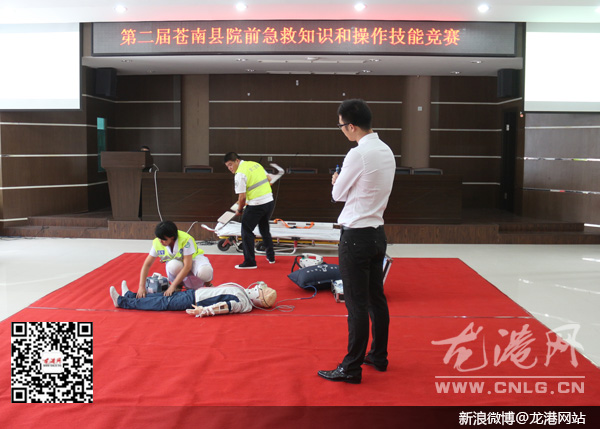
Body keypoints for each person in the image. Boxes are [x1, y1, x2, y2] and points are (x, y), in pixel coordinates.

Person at [317, 99, 396, 384]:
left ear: (351, 126)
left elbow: (337, 194)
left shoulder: (357, 153)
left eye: (340, 126)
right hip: (377, 234)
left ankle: (351, 368)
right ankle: (378, 356)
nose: (341, 130)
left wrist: (336, 179)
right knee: (377, 300)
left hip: (355, 238)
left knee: (356, 305)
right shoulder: (386, 150)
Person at [223, 152, 276, 269]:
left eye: (230, 164)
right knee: (264, 229)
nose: (230, 168)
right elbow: (269, 179)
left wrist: (239, 210)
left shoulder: (240, 174)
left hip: (256, 205)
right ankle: (271, 257)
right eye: (227, 166)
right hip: (269, 202)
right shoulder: (255, 164)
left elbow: (242, 197)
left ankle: (250, 262)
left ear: (237, 161)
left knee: (246, 231)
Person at [136, 220, 213, 298]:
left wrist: (172, 286)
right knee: (173, 266)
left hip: (193, 259)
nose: (160, 241)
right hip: (177, 263)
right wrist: (141, 287)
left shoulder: (185, 239)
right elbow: (147, 264)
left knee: (205, 271)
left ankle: (208, 284)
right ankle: (178, 285)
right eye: (159, 238)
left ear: (172, 237)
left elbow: (187, 266)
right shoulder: (157, 242)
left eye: (164, 239)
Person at [109, 281, 277, 316]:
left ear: (259, 298)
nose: (255, 288)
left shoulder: (242, 303)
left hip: (195, 301)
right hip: (196, 293)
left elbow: (223, 307)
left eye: (258, 290)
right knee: (163, 295)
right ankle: (130, 295)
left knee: (161, 302)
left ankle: (123, 302)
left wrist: (204, 310)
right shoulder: (242, 292)